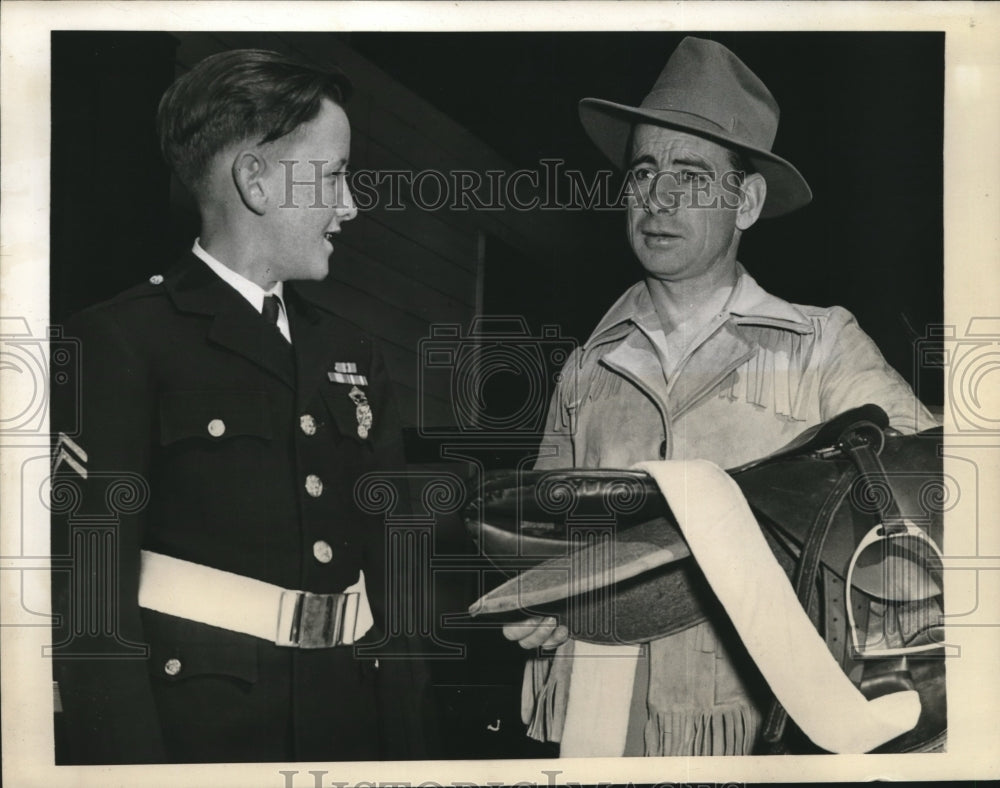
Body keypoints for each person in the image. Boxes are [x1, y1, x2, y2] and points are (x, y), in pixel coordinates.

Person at [502, 36, 938, 756]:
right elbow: (543, 535)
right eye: (644, 171)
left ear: (748, 201)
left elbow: (929, 496)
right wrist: (539, 601)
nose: (660, 197)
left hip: (757, 717)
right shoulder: (587, 367)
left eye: (694, 176)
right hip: (597, 717)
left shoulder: (820, 345)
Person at [50, 49, 431, 764]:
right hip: (203, 733)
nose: (350, 206)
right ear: (255, 181)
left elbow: (396, 583)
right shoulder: (123, 339)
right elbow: (91, 612)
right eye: (336, 176)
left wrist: (408, 752)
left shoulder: (353, 353)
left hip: (348, 724)